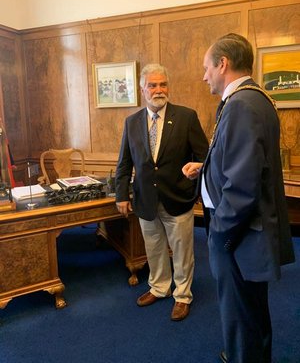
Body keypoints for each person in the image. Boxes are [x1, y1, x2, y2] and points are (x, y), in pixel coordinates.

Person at [182, 33, 295, 362]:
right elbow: (244, 162)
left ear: (223, 64)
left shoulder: (242, 105)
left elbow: (243, 185)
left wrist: (219, 233)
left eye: (206, 68)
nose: (204, 76)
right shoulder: (253, 98)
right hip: (244, 231)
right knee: (249, 312)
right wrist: (206, 168)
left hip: (238, 234)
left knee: (241, 313)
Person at [115, 63, 209, 321]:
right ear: (142, 89)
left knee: (182, 251)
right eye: (153, 85)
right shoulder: (131, 122)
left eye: (163, 84)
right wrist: (121, 195)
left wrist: (197, 182)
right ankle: (159, 287)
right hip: (145, 200)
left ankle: (182, 295)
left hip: (178, 198)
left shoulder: (186, 117)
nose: (159, 90)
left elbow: (205, 157)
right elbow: (124, 162)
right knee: (154, 248)